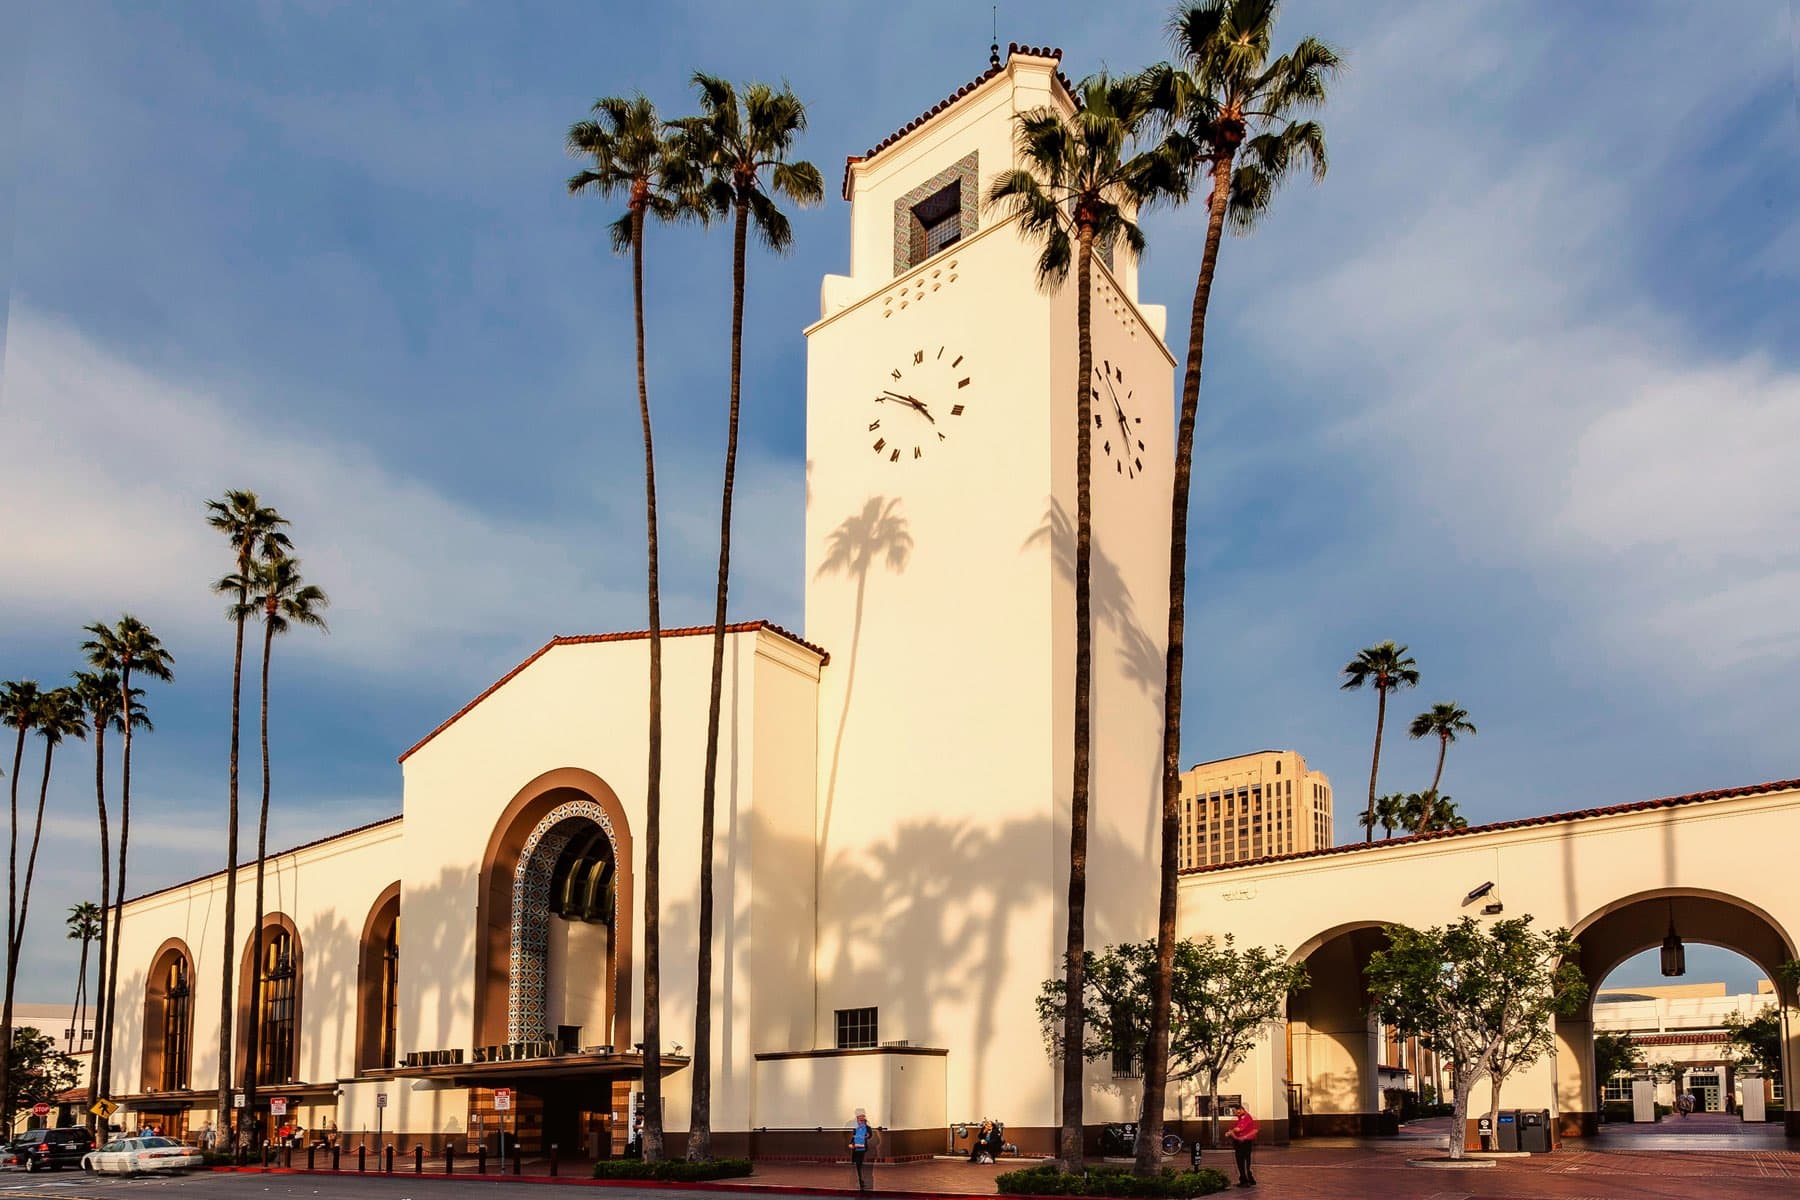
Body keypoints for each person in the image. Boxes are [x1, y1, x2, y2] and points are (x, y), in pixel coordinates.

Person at [1225, 1106, 1258, 1188]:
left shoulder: (1245, 1117)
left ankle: (1245, 1180)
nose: (1234, 1112)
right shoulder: (1241, 1118)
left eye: (1234, 1110)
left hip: (1244, 1142)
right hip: (1242, 1142)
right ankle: (1248, 1179)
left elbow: (1239, 1129)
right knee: (1244, 1161)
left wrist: (1230, 1132)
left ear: (1240, 1110)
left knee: (1242, 1161)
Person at [848, 1108, 878, 1193]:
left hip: (863, 1149)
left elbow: (870, 1135)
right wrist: (851, 1143)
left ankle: (862, 1182)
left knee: (861, 1165)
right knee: (857, 1165)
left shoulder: (867, 1128)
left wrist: (866, 1136)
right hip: (856, 1149)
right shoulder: (855, 1128)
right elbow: (853, 1137)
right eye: (858, 1119)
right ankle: (859, 1181)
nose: (859, 1120)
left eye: (861, 1119)